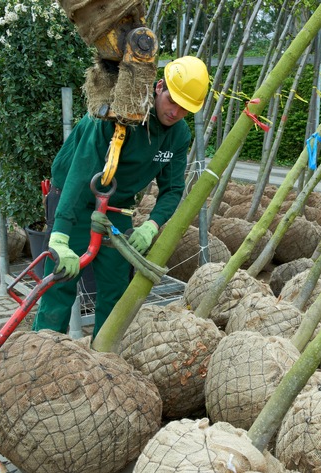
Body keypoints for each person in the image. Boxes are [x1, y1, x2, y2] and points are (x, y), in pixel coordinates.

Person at [32, 56, 208, 339]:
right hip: (73, 199)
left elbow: (173, 188)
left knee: (114, 288)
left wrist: (152, 226)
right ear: (158, 87)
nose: (175, 112)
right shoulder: (117, 112)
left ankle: (102, 361)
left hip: (115, 205)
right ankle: (41, 352)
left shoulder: (178, 135)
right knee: (61, 282)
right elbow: (79, 172)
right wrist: (61, 234)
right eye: (172, 101)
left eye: (185, 108)